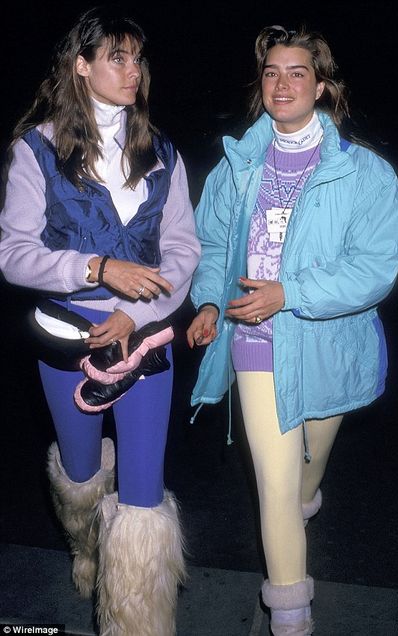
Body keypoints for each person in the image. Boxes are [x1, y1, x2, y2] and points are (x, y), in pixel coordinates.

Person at [187, 25, 398, 636]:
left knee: (309, 469)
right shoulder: (238, 165)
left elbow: (374, 267)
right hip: (255, 344)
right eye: (271, 73)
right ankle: (292, 621)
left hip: (328, 345)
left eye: (297, 73)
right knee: (276, 485)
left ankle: (309, 497)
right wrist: (209, 303)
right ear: (260, 87)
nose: (282, 84)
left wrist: (292, 294)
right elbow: (211, 246)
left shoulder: (364, 174)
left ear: (322, 86)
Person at [0, 7, 200, 635]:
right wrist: (98, 269)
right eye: (117, 57)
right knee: (83, 476)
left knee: (142, 498)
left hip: (146, 336)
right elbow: (14, 255)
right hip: (68, 340)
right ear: (81, 66)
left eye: (138, 58)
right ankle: (87, 549)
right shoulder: (34, 150)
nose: (133, 70)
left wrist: (134, 311)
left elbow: (183, 252)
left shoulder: (163, 152)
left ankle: (137, 622)